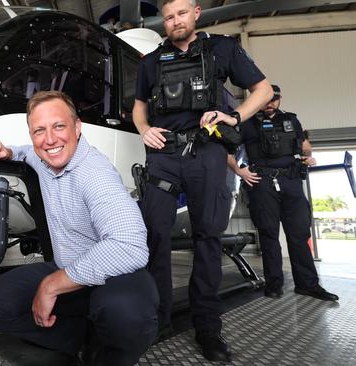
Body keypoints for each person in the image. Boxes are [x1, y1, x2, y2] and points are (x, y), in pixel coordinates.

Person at [132, 0, 273, 361]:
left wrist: (235, 117)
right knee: (154, 237)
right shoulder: (150, 62)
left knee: (208, 238)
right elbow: (138, 106)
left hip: (207, 153)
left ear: (195, 13)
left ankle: (208, 328)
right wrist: (145, 129)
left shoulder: (223, 48)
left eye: (181, 13)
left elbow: (263, 90)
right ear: (163, 22)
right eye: (168, 17)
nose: (175, 21)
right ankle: (157, 320)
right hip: (163, 155)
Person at [0, 91, 158, 366]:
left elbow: (129, 247)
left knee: (126, 315)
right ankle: (82, 339)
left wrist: (51, 286)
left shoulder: (95, 173)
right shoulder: (45, 156)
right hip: (69, 270)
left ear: (78, 127)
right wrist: (9, 151)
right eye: (39, 130)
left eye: (59, 126)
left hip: (114, 275)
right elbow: (28, 152)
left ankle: (107, 355)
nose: (49, 139)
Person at [228, 85, 338, 302]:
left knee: (299, 234)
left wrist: (308, 157)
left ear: (279, 99)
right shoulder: (246, 122)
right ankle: (274, 284)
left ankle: (308, 285)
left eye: (274, 99)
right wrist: (240, 172)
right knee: (269, 235)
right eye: (266, 99)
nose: (270, 104)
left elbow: (304, 147)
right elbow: (226, 151)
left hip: (291, 181)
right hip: (263, 183)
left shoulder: (292, 120)